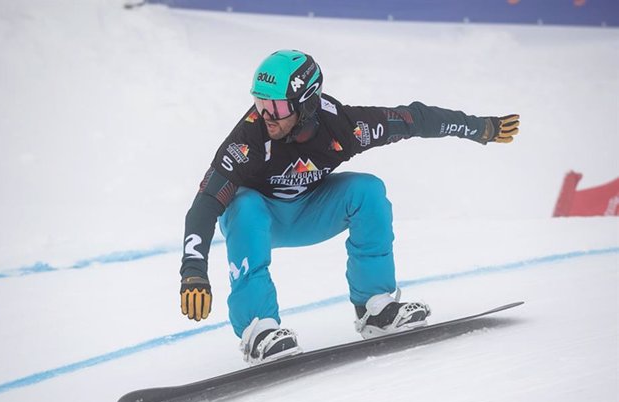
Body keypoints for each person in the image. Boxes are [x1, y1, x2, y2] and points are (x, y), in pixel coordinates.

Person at [178, 49, 520, 365]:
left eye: (278, 107)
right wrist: (193, 270)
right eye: (260, 103)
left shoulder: (344, 126)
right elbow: (206, 203)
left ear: (307, 103)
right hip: (258, 223)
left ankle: (375, 307)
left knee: (368, 190)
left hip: (310, 212)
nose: (266, 115)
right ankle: (259, 329)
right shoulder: (248, 139)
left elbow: (414, 120)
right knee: (244, 203)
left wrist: (479, 128)